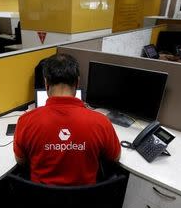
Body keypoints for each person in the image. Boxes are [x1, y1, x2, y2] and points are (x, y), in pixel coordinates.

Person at [13, 54, 121, 186]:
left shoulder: (25, 121)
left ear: (46, 82)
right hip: (85, 200)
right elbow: (115, 158)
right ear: (77, 82)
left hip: (42, 201)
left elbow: (21, 161)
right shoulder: (101, 122)